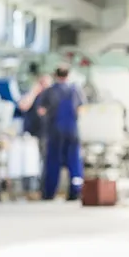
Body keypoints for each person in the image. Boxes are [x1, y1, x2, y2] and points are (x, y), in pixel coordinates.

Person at [35, 65, 86, 201]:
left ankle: (49, 193)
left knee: (53, 163)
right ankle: (75, 192)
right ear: (68, 75)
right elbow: (81, 109)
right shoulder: (75, 90)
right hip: (72, 132)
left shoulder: (49, 91)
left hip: (55, 132)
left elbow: (41, 111)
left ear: (55, 75)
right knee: (74, 163)